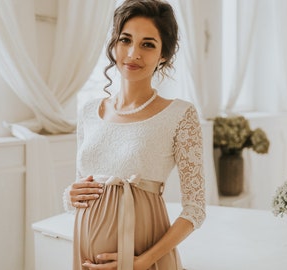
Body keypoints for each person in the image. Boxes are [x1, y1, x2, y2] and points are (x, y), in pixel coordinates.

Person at [64, 0, 206, 269]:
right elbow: (81, 190)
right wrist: (70, 194)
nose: (132, 53)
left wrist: (142, 261)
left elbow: (196, 209)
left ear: (164, 54)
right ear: (114, 44)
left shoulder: (180, 115)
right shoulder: (88, 112)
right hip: (85, 256)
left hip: (145, 256)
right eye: (125, 40)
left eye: (148, 44)